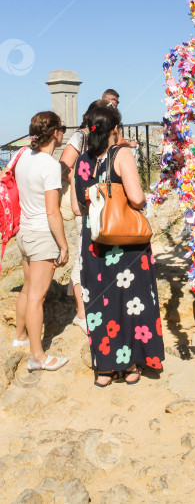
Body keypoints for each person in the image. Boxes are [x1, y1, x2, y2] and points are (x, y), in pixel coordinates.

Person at [71, 104, 164, 387]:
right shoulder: (121, 154)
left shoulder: (82, 160)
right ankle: (131, 365)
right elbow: (136, 198)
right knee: (131, 300)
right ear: (115, 130)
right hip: (124, 242)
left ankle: (105, 368)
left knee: (99, 302)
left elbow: (77, 209)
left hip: (95, 239)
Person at [12, 111, 69, 371]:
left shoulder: (22, 155)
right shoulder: (49, 165)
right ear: (55, 133)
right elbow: (52, 211)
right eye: (62, 129)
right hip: (41, 235)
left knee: (27, 289)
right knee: (37, 296)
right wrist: (63, 245)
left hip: (23, 233)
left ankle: (20, 336)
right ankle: (37, 356)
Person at [59, 100, 108, 334]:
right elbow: (64, 166)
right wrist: (77, 183)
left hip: (97, 208)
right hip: (85, 207)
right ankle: (81, 313)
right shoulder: (81, 137)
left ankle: (91, 304)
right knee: (81, 258)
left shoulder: (101, 140)